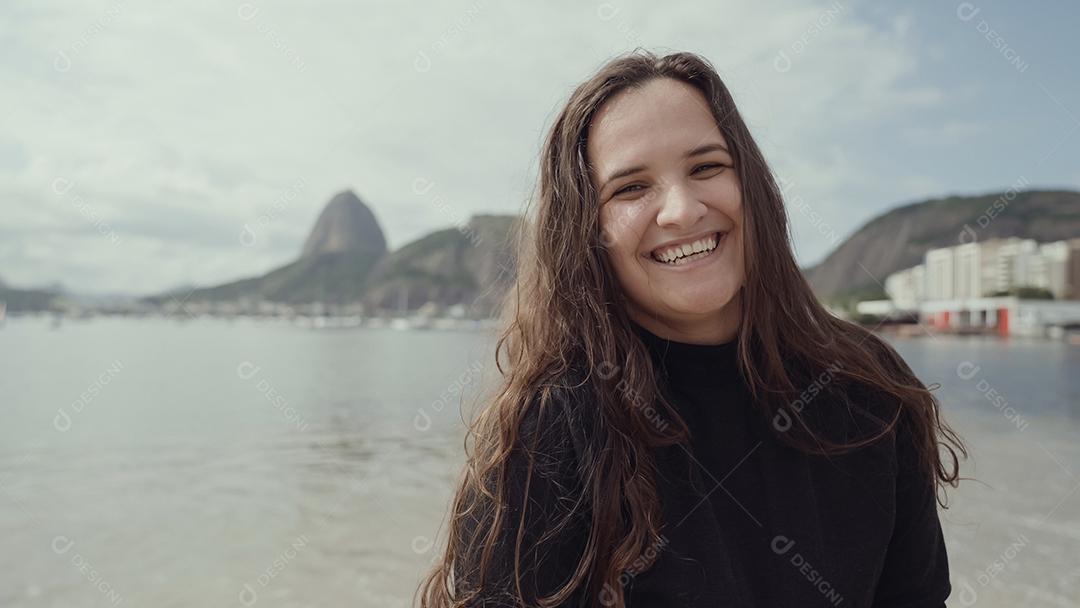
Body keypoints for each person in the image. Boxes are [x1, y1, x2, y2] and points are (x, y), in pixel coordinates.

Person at [415, 49, 967, 608]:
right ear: (586, 230)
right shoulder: (558, 426)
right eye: (631, 188)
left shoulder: (868, 388)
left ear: (752, 184)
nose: (681, 211)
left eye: (706, 167)